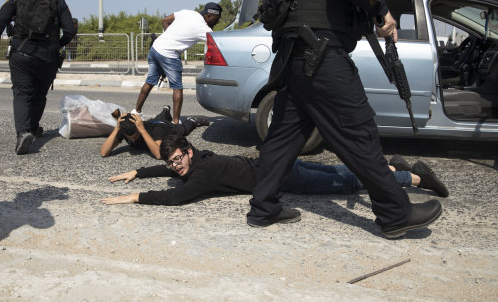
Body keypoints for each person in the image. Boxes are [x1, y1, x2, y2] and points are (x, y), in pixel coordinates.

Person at [246, 0, 442, 238]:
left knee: (284, 137)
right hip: (321, 56)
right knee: (359, 131)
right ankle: (396, 213)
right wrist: (382, 11)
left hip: (294, 57)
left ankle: (263, 207)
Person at [100, 134, 448, 206]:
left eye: (178, 159)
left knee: (347, 183)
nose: (176, 166)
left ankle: (415, 177)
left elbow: (176, 197)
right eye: (171, 163)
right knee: (344, 172)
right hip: (277, 164)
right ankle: (393, 167)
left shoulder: (201, 175)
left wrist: (136, 196)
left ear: (187, 152)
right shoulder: (201, 158)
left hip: (282, 175)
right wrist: (140, 172)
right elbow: (173, 176)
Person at [0, 0, 76, 155]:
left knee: (22, 93)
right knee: (39, 94)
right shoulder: (59, 3)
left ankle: (23, 133)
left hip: (21, 54)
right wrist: (57, 45)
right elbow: (69, 30)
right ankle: (34, 127)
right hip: (48, 57)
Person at [132, 3, 222, 124]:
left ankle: (136, 112)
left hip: (156, 47)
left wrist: (170, 37)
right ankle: (175, 122)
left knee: (149, 81)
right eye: (216, 19)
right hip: (169, 54)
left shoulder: (189, 13)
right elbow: (219, 44)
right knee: (177, 87)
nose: (217, 22)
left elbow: (165, 20)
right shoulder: (204, 29)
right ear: (209, 15)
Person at [100, 106, 209, 159]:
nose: (132, 140)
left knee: (183, 129)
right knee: (159, 117)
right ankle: (165, 111)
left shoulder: (155, 131)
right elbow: (104, 153)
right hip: (153, 121)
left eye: (135, 136)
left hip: (165, 127)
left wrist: (142, 130)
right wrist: (117, 128)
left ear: (139, 127)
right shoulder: (126, 129)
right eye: (130, 138)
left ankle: (192, 121)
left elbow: (158, 154)